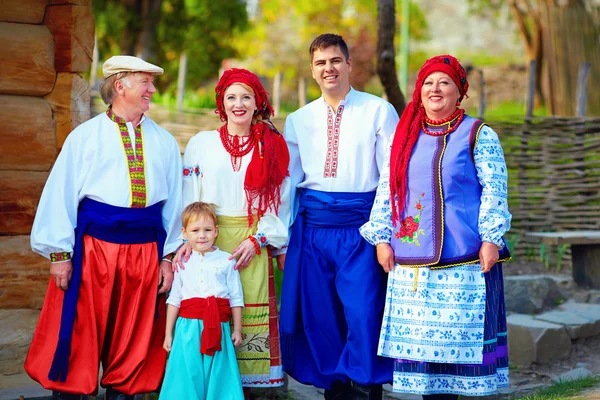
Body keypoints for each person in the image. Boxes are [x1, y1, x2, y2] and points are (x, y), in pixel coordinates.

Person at [25, 56, 182, 400]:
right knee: (80, 333)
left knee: (133, 337)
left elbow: (175, 206)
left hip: (145, 253)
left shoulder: (165, 142)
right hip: (93, 250)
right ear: (121, 85)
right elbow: (61, 194)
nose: (152, 90)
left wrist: (168, 258)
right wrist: (60, 254)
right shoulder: (85, 137)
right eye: (145, 82)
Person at [359, 54, 512, 399]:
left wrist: (491, 237)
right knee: (426, 358)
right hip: (412, 262)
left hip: (466, 257)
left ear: (460, 93)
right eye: (428, 82)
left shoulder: (478, 134)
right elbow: (388, 189)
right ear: (419, 91)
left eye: (444, 82)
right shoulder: (404, 138)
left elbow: (495, 188)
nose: (435, 89)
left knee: (458, 345)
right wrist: (382, 238)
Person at [278, 33, 399, 399]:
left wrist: (382, 235)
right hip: (313, 229)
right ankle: (336, 388)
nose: (328, 68)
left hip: (361, 227)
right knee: (321, 315)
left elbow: (391, 178)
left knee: (362, 310)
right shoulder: (299, 119)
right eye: (320, 63)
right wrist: (282, 238)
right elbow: (288, 184)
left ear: (348, 64)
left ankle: (368, 384)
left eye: (334, 60)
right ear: (312, 70)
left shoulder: (378, 110)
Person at [176, 68, 289, 390]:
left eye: (246, 97)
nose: (238, 104)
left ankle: (247, 389)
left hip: (252, 236)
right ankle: (207, 384)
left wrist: (259, 240)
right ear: (221, 104)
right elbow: (190, 189)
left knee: (249, 311)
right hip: (207, 236)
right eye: (231, 97)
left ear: (258, 103)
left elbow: (282, 200)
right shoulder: (202, 143)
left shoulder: (272, 147)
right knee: (207, 303)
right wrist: (190, 235)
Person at [160, 202, 244, 400]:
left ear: (216, 231)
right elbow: (175, 299)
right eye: (195, 230)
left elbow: (235, 298)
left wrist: (237, 329)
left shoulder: (227, 260)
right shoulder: (181, 262)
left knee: (217, 372)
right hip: (187, 328)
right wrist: (168, 334)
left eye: (207, 230)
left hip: (218, 327)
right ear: (184, 233)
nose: (202, 235)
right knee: (188, 373)